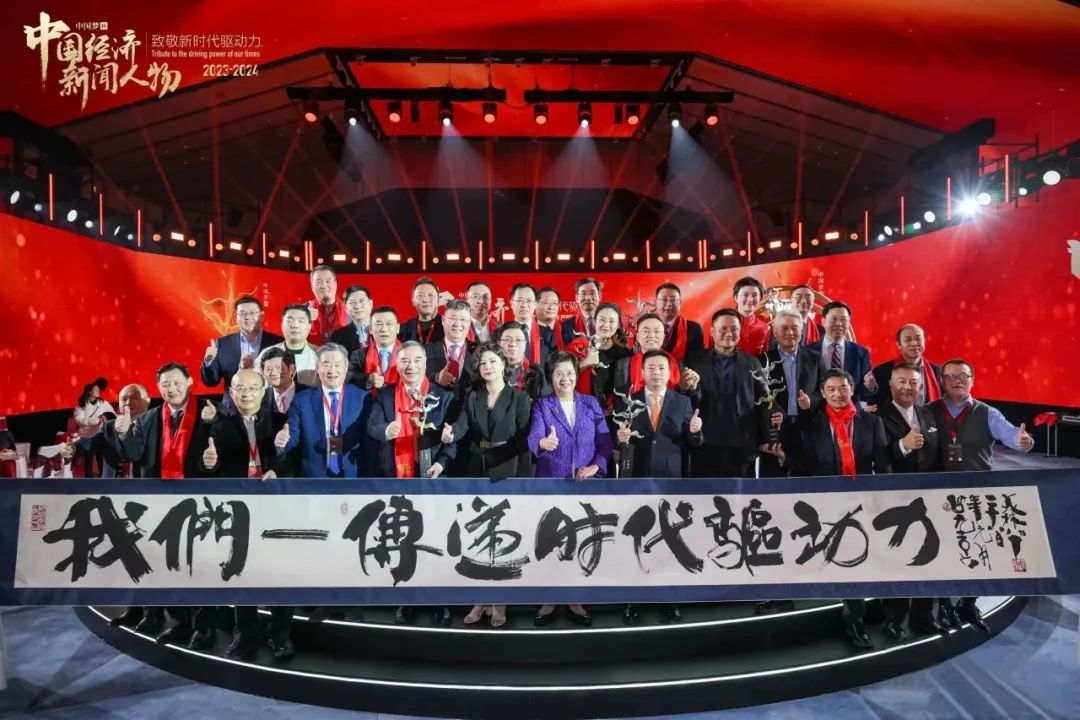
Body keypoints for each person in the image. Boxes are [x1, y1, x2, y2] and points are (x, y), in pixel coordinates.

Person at [764, 369, 891, 650]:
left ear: (852, 390)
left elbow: (883, 466)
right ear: (822, 393)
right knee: (803, 552)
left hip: (858, 504)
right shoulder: (811, 424)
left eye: (843, 388)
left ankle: (854, 619)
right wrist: (786, 460)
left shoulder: (872, 423)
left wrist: (881, 501)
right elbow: (802, 463)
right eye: (831, 389)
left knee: (853, 561)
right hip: (820, 503)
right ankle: (783, 596)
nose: (837, 394)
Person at [929, 358, 1034, 634]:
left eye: (963, 376)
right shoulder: (928, 411)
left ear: (972, 381)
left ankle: (968, 603)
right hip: (939, 495)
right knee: (943, 550)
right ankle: (945, 604)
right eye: (950, 376)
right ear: (942, 381)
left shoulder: (987, 413)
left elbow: (1012, 435)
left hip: (977, 495)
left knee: (978, 550)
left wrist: (1022, 441)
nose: (957, 381)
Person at [116, 362, 215, 648]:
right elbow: (135, 454)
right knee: (167, 563)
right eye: (166, 384)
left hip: (199, 501)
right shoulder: (149, 419)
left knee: (201, 567)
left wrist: (214, 425)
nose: (172, 389)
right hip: (159, 504)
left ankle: (205, 628)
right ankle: (178, 622)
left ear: (190, 382)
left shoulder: (209, 411)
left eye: (177, 383)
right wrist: (124, 433)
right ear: (158, 387)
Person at [201, 369, 295, 661]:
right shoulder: (220, 428)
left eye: (253, 388)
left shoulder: (280, 421)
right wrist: (209, 464)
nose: (246, 394)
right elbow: (211, 468)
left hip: (276, 508)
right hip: (238, 510)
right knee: (240, 570)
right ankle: (246, 634)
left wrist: (278, 470)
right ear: (231, 393)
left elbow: (296, 460)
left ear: (263, 391)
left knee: (282, 572)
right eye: (240, 389)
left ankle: (281, 635)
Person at [441, 342, 533, 627]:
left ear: (503, 365)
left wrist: (505, 464)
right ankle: (480, 599)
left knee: (503, 539)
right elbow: (462, 426)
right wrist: (450, 434)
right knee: (478, 538)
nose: (488, 367)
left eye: (493, 361)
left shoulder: (520, 398)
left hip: (509, 470)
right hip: (477, 470)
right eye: (483, 363)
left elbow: (524, 441)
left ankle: (501, 601)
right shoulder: (474, 396)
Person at [366, 341, 456, 626]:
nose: (411, 366)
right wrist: (386, 430)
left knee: (436, 541)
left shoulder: (442, 396)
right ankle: (406, 598)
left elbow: (452, 440)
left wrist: (441, 463)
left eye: (417, 360)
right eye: (404, 360)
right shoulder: (385, 396)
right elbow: (372, 426)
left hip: (433, 479)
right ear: (397, 363)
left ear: (425, 364)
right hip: (397, 480)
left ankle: (440, 600)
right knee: (402, 539)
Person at [613, 350, 702, 625]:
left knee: (668, 541)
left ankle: (669, 599)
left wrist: (695, 431)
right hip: (636, 478)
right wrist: (620, 437)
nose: (656, 372)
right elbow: (618, 441)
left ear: (670, 372)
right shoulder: (628, 401)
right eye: (650, 367)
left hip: (670, 481)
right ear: (642, 372)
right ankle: (634, 599)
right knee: (636, 540)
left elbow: (694, 442)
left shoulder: (682, 401)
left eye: (661, 368)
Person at [528, 351, 613, 627]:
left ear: (577, 375)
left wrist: (596, 466)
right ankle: (550, 599)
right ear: (550, 378)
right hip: (552, 485)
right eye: (558, 373)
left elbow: (605, 443)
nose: (565, 378)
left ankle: (575, 598)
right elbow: (534, 436)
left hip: (584, 486)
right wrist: (542, 444)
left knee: (580, 541)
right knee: (551, 542)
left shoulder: (590, 403)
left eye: (569, 372)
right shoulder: (543, 405)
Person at [876, 363, 944, 638]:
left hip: (928, 500)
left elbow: (937, 456)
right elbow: (878, 458)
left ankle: (923, 617)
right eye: (901, 382)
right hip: (896, 499)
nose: (907, 387)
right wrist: (903, 445)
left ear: (921, 387)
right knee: (898, 560)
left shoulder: (928, 414)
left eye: (913, 383)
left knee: (929, 557)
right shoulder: (877, 417)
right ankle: (894, 619)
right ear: (891, 385)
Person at [686, 309, 777, 477]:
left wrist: (768, 437)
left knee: (741, 493)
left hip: (742, 446)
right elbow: (687, 401)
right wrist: (691, 389)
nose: (729, 333)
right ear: (712, 331)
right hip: (705, 445)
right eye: (723, 329)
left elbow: (765, 401)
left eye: (734, 329)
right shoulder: (695, 362)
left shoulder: (752, 363)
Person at [277, 342, 369, 478]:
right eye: (326, 364)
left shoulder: (362, 397)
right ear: (317, 368)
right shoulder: (302, 400)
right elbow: (292, 437)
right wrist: (282, 442)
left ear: (346, 368)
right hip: (314, 478)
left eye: (337, 365)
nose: (332, 370)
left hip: (353, 476)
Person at [760, 309, 825, 477]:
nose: (790, 332)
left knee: (807, 483)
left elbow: (825, 392)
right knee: (773, 484)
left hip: (807, 430)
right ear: (775, 332)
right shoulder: (763, 360)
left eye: (795, 328)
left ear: (801, 331)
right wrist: (770, 412)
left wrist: (811, 401)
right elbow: (757, 397)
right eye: (784, 328)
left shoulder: (815, 358)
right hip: (775, 432)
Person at [201, 296, 283, 397]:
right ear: (235, 317)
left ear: (261, 316)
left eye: (252, 313)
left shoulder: (278, 343)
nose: (247, 317)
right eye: (242, 313)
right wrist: (208, 362)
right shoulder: (223, 344)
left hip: (268, 404)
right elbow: (210, 382)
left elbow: (285, 379)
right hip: (233, 405)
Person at [571, 302, 633, 413]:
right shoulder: (579, 347)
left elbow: (629, 385)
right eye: (602, 320)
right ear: (595, 321)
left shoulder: (624, 353)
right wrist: (585, 363)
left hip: (614, 414)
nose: (606, 325)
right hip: (583, 411)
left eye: (611, 321)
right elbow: (563, 375)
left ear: (618, 325)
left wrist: (616, 404)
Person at [613, 313, 696, 395]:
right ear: (637, 337)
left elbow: (688, 398)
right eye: (646, 331)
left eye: (657, 331)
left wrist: (689, 387)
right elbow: (619, 397)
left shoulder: (676, 363)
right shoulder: (623, 365)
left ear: (663, 337)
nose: (652, 335)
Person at [808, 301, 873, 401]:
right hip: (818, 409)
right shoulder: (808, 351)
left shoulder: (860, 352)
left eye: (843, 319)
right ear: (823, 321)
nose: (839, 324)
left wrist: (869, 386)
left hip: (850, 409)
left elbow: (864, 392)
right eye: (834, 319)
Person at [867, 324, 943, 409]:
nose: (914, 343)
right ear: (899, 344)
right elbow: (874, 406)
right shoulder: (881, 372)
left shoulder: (937, 371)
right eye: (908, 340)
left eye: (918, 339)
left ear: (924, 341)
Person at [95, 384, 150, 480]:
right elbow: (89, 443)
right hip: (111, 486)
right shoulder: (108, 426)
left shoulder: (155, 426)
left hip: (143, 486)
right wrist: (72, 448)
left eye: (134, 398)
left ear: (147, 402)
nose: (128, 402)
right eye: (124, 399)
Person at [426, 300, 476, 398]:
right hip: (436, 405)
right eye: (453, 318)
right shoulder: (425, 351)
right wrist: (436, 378)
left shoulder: (478, 352)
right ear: (443, 320)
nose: (457, 324)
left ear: (469, 323)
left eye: (463, 319)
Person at [259, 304, 319, 386]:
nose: (294, 325)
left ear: (309, 327)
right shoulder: (266, 353)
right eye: (289, 321)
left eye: (301, 321)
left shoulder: (319, 355)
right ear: (282, 325)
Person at [347, 306, 401, 392]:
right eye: (379, 324)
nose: (384, 329)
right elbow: (348, 375)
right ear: (371, 329)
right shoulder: (359, 355)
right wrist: (368, 379)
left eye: (389, 324)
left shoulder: (408, 354)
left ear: (397, 328)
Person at [73, 378, 114, 476]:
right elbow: (80, 420)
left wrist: (106, 417)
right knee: (88, 462)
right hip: (88, 437)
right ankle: (88, 481)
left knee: (102, 460)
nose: (98, 391)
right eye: (95, 389)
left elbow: (112, 414)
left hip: (100, 435)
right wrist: (96, 420)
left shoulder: (103, 403)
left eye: (99, 389)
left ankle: (103, 479)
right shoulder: (81, 405)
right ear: (89, 391)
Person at [508, 283, 557, 366]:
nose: (524, 305)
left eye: (529, 301)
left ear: (535, 304)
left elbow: (553, 365)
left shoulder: (547, 334)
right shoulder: (502, 333)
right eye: (519, 300)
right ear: (511, 303)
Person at [498, 321, 549, 400]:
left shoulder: (537, 372)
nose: (513, 344)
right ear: (499, 344)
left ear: (525, 344)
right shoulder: (492, 370)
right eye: (507, 339)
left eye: (518, 340)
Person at [655, 282, 705, 361]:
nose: (669, 304)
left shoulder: (694, 329)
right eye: (664, 300)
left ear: (680, 303)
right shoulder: (645, 327)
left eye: (673, 300)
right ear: (655, 302)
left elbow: (698, 360)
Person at [258, 347, 309, 415]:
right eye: (268, 369)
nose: (273, 373)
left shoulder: (310, 395)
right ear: (263, 373)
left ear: (291, 369)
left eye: (278, 367)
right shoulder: (259, 398)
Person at [307, 265, 349, 346]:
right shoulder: (303, 311)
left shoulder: (349, 310)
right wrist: (305, 320)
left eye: (328, 281)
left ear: (335, 284)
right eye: (319, 282)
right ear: (312, 286)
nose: (324, 286)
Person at [329, 284, 373, 356]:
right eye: (352, 303)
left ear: (371, 304)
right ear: (346, 308)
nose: (357, 306)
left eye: (361, 301)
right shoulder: (338, 336)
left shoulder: (387, 329)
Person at [399, 277, 445, 345]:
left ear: (438, 299)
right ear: (413, 301)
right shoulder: (403, 329)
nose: (425, 300)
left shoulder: (448, 325)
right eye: (420, 295)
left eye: (430, 295)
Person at [732, 276, 771, 356]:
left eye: (754, 295)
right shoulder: (723, 324)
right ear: (736, 298)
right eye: (745, 295)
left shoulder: (765, 328)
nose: (750, 299)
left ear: (760, 298)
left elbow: (764, 358)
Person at [559, 277, 602, 347]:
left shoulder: (611, 323)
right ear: (576, 298)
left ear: (600, 296)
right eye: (583, 294)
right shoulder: (565, 327)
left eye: (592, 293)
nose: (588, 298)